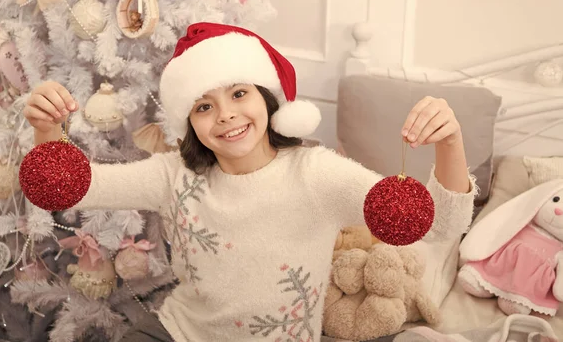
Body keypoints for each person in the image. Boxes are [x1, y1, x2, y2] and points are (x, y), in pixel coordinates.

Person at [24, 22, 477, 342]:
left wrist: (450, 142)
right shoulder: (173, 176)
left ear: (266, 98)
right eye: (204, 106)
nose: (226, 115)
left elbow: (440, 226)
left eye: (239, 93)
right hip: (180, 331)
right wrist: (47, 128)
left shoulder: (317, 173)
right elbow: (66, 188)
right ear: (189, 124)